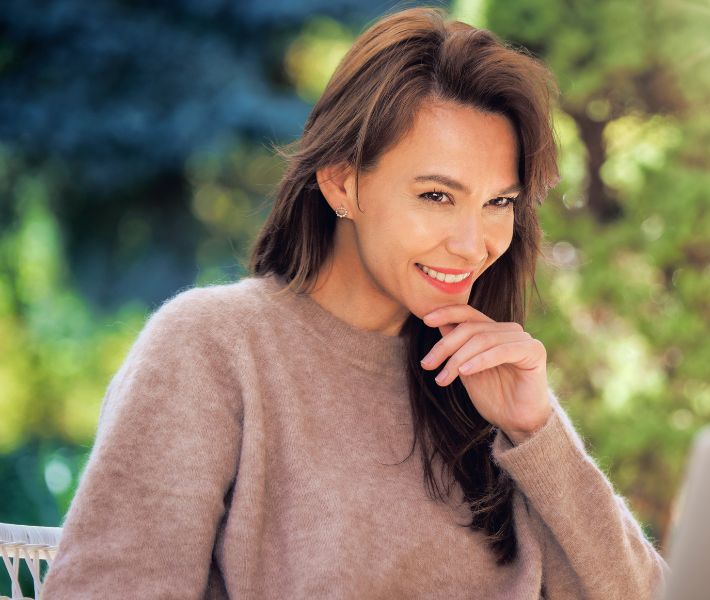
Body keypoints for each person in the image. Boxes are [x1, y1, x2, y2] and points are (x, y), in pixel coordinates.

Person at [42, 7, 668, 599]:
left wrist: (537, 432)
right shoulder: (212, 347)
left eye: (499, 203)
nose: (475, 244)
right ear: (342, 182)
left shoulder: (487, 379)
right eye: (436, 196)